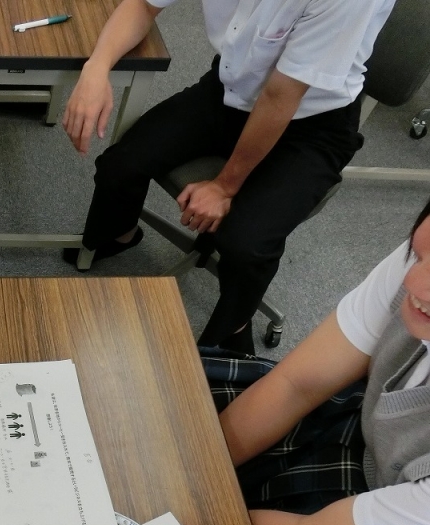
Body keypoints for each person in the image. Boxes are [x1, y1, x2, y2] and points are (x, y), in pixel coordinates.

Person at [62, 0, 394, 354]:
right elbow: (143, 6)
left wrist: (224, 186)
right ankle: (121, 234)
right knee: (120, 166)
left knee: (246, 244)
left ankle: (233, 329)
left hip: (311, 125)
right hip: (232, 90)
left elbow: (280, 97)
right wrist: (96, 68)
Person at [204, 195, 430, 525]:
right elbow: (297, 383)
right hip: (377, 444)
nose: (414, 283)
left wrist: (184, 514)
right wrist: (194, 467)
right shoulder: (420, 267)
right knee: (184, 397)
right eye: (420, 256)